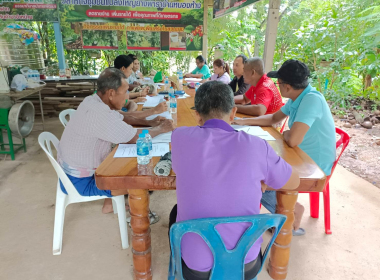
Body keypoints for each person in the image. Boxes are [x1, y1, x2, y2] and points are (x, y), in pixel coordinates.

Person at [169, 81, 300, 280]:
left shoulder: (179, 137)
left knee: (174, 213)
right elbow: (292, 182)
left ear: (197, 115)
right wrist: (261, 181)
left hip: (196, 269)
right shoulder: (258, 147)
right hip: (245, 265)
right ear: (233, 113)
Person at [233, 60, 336, 235]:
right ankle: (282, 211)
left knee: (255, 175)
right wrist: (241, 121)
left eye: (279, 82)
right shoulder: (298, 97)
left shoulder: (311, 100)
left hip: (314, 163)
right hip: (299, 153)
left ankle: (289, 213)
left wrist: (288, 133)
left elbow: (293, 139)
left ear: (287, 87)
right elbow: (273, 118)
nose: (277, 85)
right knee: (255, 166)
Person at [58, 68, 174, 214]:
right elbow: (134, 137)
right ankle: (139, 216)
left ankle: (109, 204)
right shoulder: (99, 113)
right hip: (80, 182)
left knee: (121, 157)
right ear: (111, 93)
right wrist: (161, 129)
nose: (127, 97)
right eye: (125, 92)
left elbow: (122, 117)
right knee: (145, 180)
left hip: (72, 172)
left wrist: (151, 123)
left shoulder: (92, 100)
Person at [114, 55, 168, 123]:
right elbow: (123, 116)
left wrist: (130, 113)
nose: (131, 72)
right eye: (130, 69)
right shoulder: (115, 83)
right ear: (123, 68)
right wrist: (154, 111)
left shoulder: (122, 80)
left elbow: (129, 103)